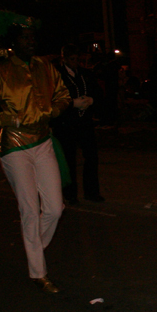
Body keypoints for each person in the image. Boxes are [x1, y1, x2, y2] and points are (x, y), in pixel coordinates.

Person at [0, 11, 72, 293]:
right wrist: (6, 118)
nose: (31, 41)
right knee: (29, 209)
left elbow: (63, 95)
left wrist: (56, 109)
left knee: (55, 208)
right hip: (15, 147)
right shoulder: (1, 72)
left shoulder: (45, 66)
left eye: (32, 37)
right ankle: (39, 273)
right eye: (25, 38)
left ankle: (33, 249)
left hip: (43, 142)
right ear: (14, 43)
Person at [52, 45, 104, 204]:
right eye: (72, 59)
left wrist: (91, 100)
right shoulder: (57, 75)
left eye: (78, 59)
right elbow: (52, 99)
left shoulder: (85, 74)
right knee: (69, 159)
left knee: (91, 156)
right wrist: (71, 104)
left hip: (84, 121)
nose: (76, 63)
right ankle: (70, 194)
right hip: (66, 123)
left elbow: (97, 92)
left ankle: (91, 191)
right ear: (65, 59)